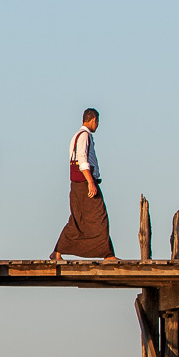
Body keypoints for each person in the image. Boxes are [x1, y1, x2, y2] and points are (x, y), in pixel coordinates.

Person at [52, 108, 117, 261]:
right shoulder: (84, 136)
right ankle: (108, 255)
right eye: (98, 121)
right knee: (99, 216)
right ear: (93, 119)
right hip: (83, 183)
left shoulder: (76, 136)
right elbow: (82, 160)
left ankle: (57, 252)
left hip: (77, 185)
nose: (98, 125)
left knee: (77, 219)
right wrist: (90, 183)